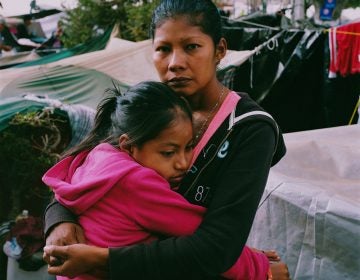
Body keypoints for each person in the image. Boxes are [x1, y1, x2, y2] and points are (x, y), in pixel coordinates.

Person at [43, 0, 289, 279]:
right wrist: (58, 222)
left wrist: (102, 259)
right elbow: (77, 177)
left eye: (191, 47)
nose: (175, 63)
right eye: (163, 49)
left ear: (220, 50)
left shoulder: (250, 129)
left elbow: (218, 247)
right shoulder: (147, 109)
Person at [43, 81, 276, 280]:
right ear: (129, 144)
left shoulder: (99, 157)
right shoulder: (137, 183)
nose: (183, 163)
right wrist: (262, 268)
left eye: (189, 148)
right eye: (168, 152)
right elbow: (206, 240)